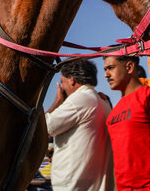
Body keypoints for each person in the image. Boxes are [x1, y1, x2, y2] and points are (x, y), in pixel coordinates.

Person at [104, 56, 150, 191]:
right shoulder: (113, 113)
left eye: (111, 68)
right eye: (105, 69)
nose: (106, 74)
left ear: (129, 67)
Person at [45, 59, 114, 191]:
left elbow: (45, 127)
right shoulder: (101, 101)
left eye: (62, 82)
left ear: (71, 80)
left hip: (73, 186)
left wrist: (57, 102)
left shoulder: (79, 100)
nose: (63, 87)